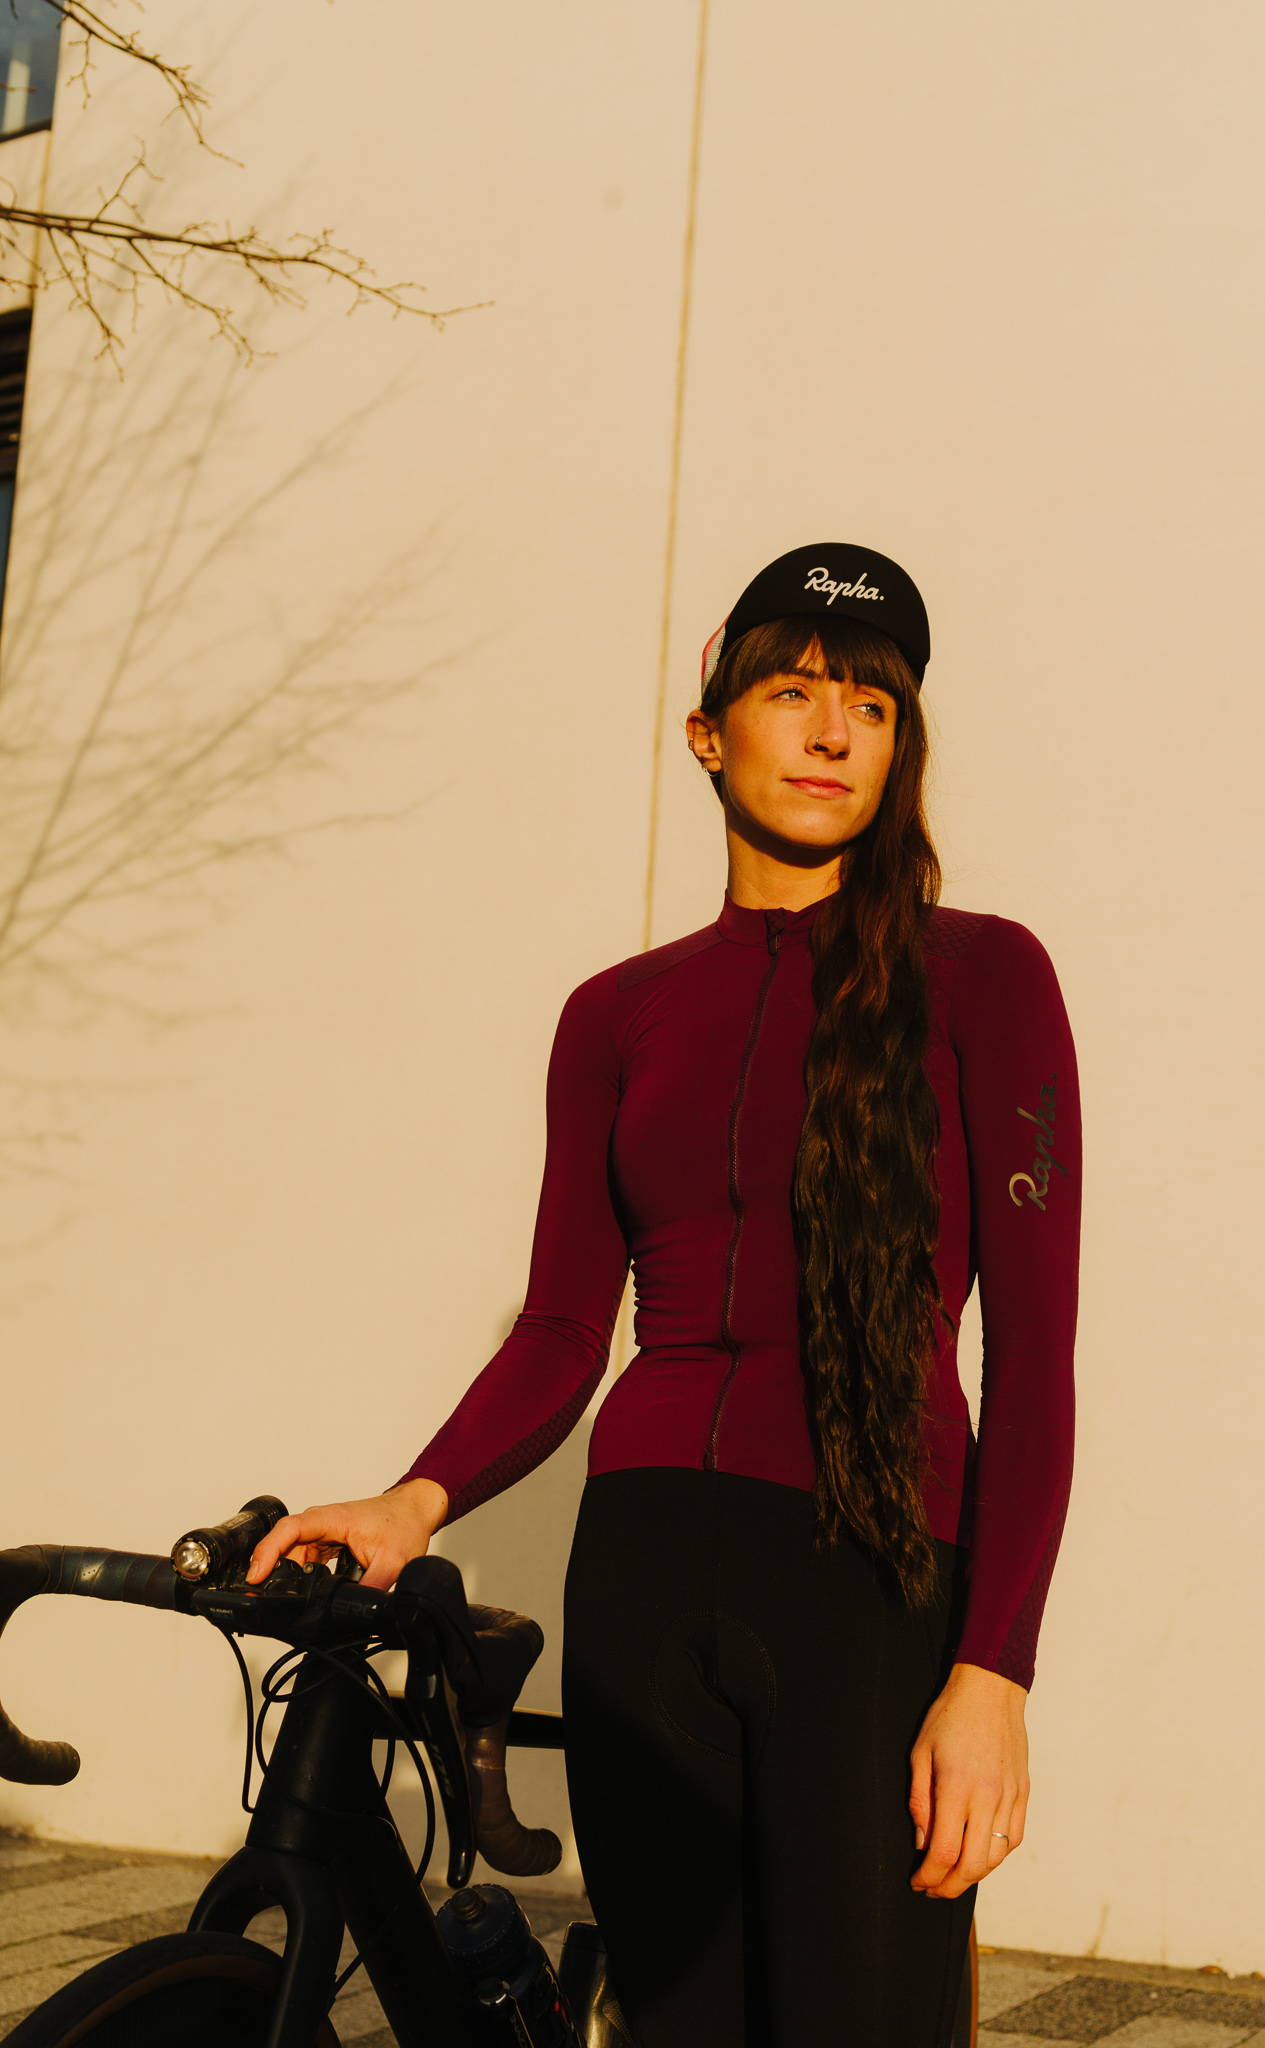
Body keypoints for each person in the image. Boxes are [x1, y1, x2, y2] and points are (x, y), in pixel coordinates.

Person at [246, 541, 1083, 2048]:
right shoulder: (615, 1016)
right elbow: (569, 1323)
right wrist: (410, 1503)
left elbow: (1032, 1360)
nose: (834, 733)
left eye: (873, 709)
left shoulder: (986, 979)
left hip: (872, 1582)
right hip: (642, 1576)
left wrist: (993, 1671)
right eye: (792, 692)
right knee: (674, 2027)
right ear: (711, 733)